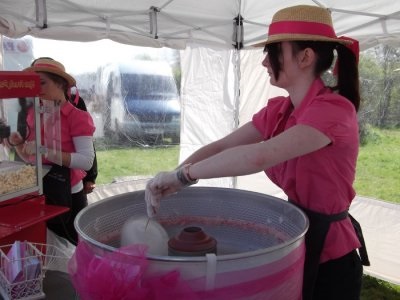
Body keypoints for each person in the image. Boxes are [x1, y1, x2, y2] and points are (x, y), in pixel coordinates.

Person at [145, 5, 369, 300]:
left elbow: (260, 155)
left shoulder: (333, 110)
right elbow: (223, 146)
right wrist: (170, 177)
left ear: (305, 57)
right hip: (295, 236)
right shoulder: (279, 110)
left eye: (273, 51)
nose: (264, 62)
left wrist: (184, 176)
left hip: (331, 255)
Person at [9, 57, 96, 245]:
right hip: (40, 191)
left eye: (42, 83)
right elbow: (32, 159)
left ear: (61, 84)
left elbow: (86, 161)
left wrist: (45, 150)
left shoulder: (77, 117)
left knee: (76, 244)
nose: (36, 89)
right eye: (33, 84)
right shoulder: (34, 114)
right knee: (48, 243)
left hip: (68, 193)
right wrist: (18, 145)